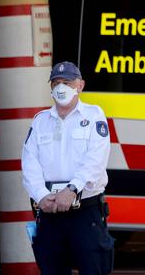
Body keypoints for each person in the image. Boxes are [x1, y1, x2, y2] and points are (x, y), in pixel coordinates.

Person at [22, 61, 113, 274]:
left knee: (93, 269)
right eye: (56, 82)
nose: (61, 87)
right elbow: (29, 163)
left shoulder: (93, 116)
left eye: (67, 82)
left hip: (85, 211)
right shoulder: (40, 121)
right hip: (49, 211)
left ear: (80, 85)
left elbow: (96, 160)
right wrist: (41, 195)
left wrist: (72, 190)